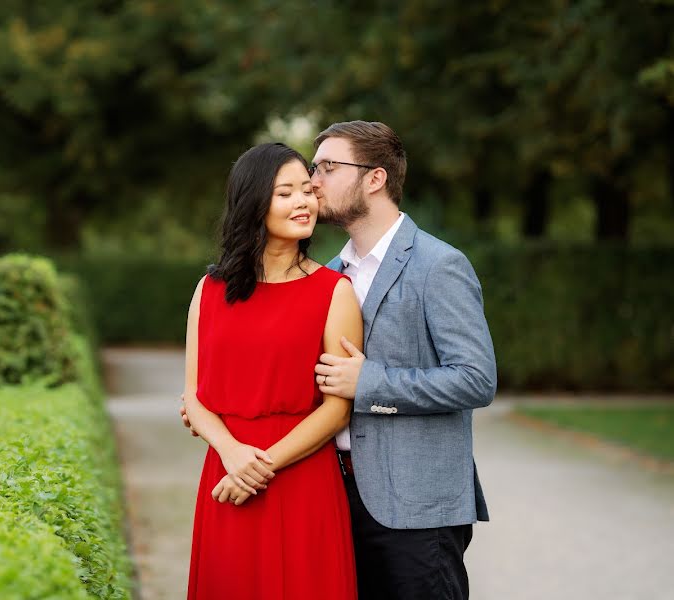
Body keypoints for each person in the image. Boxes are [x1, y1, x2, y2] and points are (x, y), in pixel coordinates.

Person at [310, 120, 497, 599]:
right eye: (315, 167)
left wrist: (371, 382)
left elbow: (476, 380)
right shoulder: (327, 277)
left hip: (418, 508)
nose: (314, 181)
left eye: (329, 167)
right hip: (333, 499)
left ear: (375, 178)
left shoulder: (439, 265)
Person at [182, 142, 362, 600]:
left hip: (301, 477)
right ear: (254, 202)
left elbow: (338, 410)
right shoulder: (210, 289)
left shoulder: (334, 291)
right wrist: (232, 453)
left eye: (307, 189)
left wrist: (260, 466)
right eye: (286, 193)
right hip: (226, 475)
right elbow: (194, 397)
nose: (303, 202)